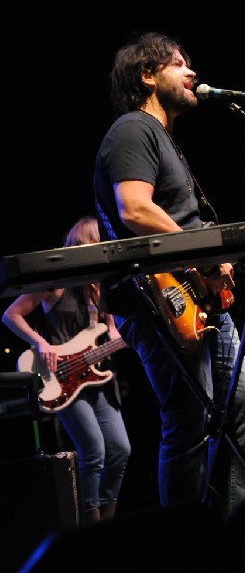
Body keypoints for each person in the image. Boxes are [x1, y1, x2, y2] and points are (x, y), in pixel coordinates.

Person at [93, 30, 245, 520]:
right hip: (162, 299)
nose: (192, 72)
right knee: (188, 419)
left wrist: (224, 258)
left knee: (243, 407)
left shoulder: (168, 142)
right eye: (178, 63)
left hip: (199, 299)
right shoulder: (133, 129)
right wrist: (202, 257)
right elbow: (134, 208)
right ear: (147, 75)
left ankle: (234, 529)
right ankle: (185, 547)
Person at [2, 216, 132, 523]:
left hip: (96, 380)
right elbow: (11, 314)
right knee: (94, 451)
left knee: (120, 449)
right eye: (96, 242)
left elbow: (111, 332)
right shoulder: (58, 283)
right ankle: (90, 523)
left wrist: (117, 334)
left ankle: (106, 519)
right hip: (60, 378)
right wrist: (39, 343)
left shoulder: (102, 288)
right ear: (82, 244)